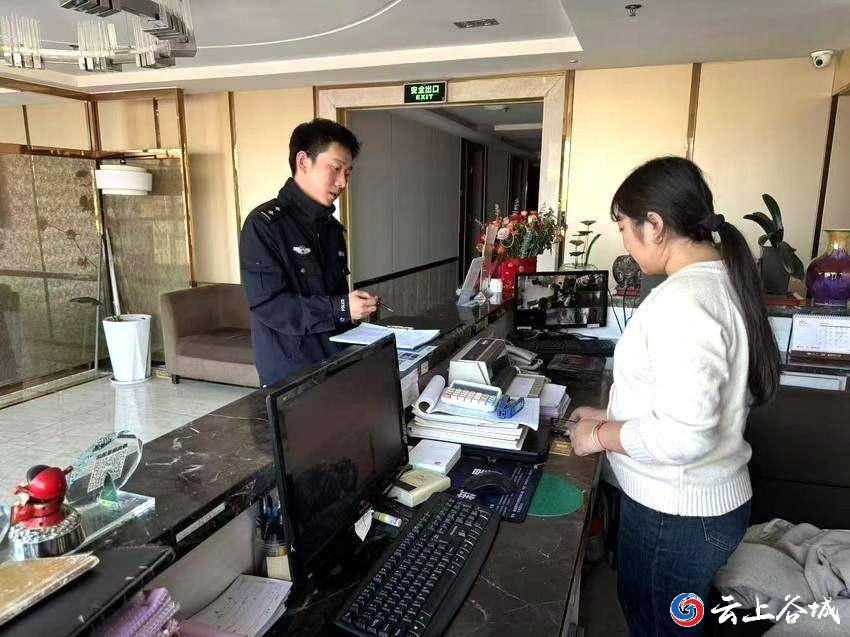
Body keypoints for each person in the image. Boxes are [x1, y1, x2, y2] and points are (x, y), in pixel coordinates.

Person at [568, 157, 779, 636]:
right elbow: (697, 401)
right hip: (695, 508)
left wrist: (598, 436)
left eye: (624, 227)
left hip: (676, 515)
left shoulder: (683, 302)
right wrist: (611, 413)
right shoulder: (720, 282)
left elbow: (684, 435)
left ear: (655, 225)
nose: (624, 241)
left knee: (657, 625)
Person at [239, 118, 379, 387]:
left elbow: (334, 299)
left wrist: (354, 310)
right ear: (303, 161)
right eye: (335, 168)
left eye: (347, 173)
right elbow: (270, 306)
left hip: (336, 362)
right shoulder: (264, 225)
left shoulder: (331, 229)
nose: (342, 182)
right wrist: (341, 308)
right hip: (292, 374)